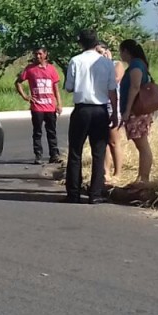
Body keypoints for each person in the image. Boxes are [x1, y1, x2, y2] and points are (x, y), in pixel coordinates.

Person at [63, 29, 118, 204]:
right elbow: (112, 91)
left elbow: (69, 87)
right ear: (97, 43)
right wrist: (114, 114)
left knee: (75, 152)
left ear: (81, 43)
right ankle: (95, 193)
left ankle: (73, 193)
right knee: (99, 152)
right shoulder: (107, 63)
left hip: (82, 109)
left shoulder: (75, 61)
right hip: (100, 110)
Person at [15, 47, 62, 164]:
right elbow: (18, 82)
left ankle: (54, 154)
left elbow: (56, 89)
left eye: (40, 54)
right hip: (37, 107)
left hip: (50, 106)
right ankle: (38, 155)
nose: (38, 56)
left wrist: (59, 104)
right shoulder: (30, 69)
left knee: (51, 131)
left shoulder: (51, 69)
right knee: (37, 132)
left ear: (45, 54)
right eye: (36, 54)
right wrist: (25, 96)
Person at [118, 39, 154, 189]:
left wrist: (127, 110)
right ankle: (141, 177)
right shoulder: (137, 64)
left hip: (137, 111)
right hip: (136, 111)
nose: (120, 55)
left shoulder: (136, 66)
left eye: (121, 51)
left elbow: (135, 87)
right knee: (141, 144)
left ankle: (144, 178)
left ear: (126, 51)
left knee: (143, 145)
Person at [96, 43, 126, 183]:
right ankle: (105, 171)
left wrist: (108, 62)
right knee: (103, 141)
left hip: (113, 106)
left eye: (102, 51)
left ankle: (118, 172)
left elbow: (115, 79)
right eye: (97, 52)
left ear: (108, 51)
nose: (100, 55)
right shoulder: (96, 67)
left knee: (114, 141)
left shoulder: (116, 64)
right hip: (100, 105)